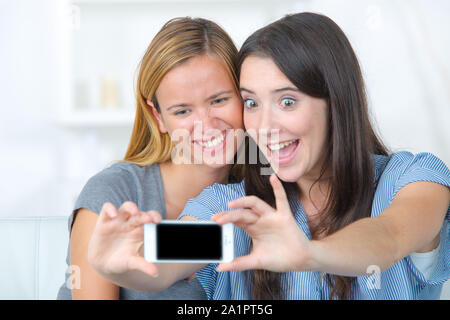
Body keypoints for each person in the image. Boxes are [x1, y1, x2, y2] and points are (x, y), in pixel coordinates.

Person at [86, 12, 450, 300]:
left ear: (337, 102)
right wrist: (120, 263)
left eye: (287, 101)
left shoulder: (413, 179)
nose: (264, 125)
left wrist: (309, 253)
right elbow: (165, 262)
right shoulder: (230, 206)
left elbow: (387, 237)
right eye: (251, 103)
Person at [56, 17, 245, 300]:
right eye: (182, 111)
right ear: (159, 117)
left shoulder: (256, 192)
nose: (206, 124)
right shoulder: (112, 195)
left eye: (218, 100)